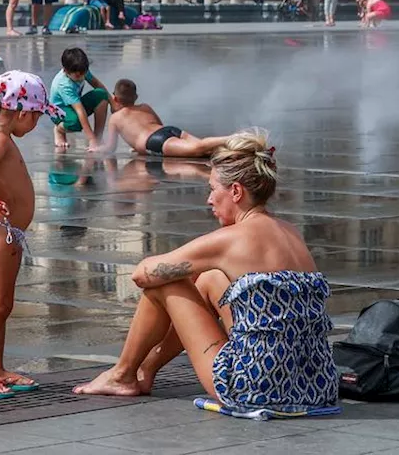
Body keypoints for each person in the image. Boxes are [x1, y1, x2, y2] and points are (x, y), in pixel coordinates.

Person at [73, 131, 340, 418]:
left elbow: (143, 275)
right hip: (316, 386)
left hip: (255, 386)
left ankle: (123, 374)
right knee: (211, 279)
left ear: (236, 192)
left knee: (165, 285)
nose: (209, 199)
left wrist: (172, 265)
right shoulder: (292, 232)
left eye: (213, 189)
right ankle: (145, 369)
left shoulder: (231, 240)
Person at [0, 71, 61, 398]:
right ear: (22, 112)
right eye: (36, 116)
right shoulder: (0, 139)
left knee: (4, 304)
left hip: (5, 231)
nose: (36, 124)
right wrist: (5, 194)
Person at [93, 79, 232, 157]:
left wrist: (98, 148)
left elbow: (111, 147)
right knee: (203, 147)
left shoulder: (115, 118)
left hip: (154, 141)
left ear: (115, 98)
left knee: (198, 149)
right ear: (136, 97)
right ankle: (235, 148)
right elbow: (159, 124)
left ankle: (232, 139)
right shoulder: (145, 106)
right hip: (169, 131)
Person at [50, 47, 111, 151]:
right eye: (78, 76)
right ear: (66, 71)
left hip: (74, 104)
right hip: (59, 110)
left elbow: (96, 84)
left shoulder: (81, 70)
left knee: (102, 95)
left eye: (83, 73)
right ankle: (59, 129)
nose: (82, 77)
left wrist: (113, 102)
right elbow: (80, 110)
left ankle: (98, 137)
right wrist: (91, 140)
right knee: (76, 123)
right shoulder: (64, 85)